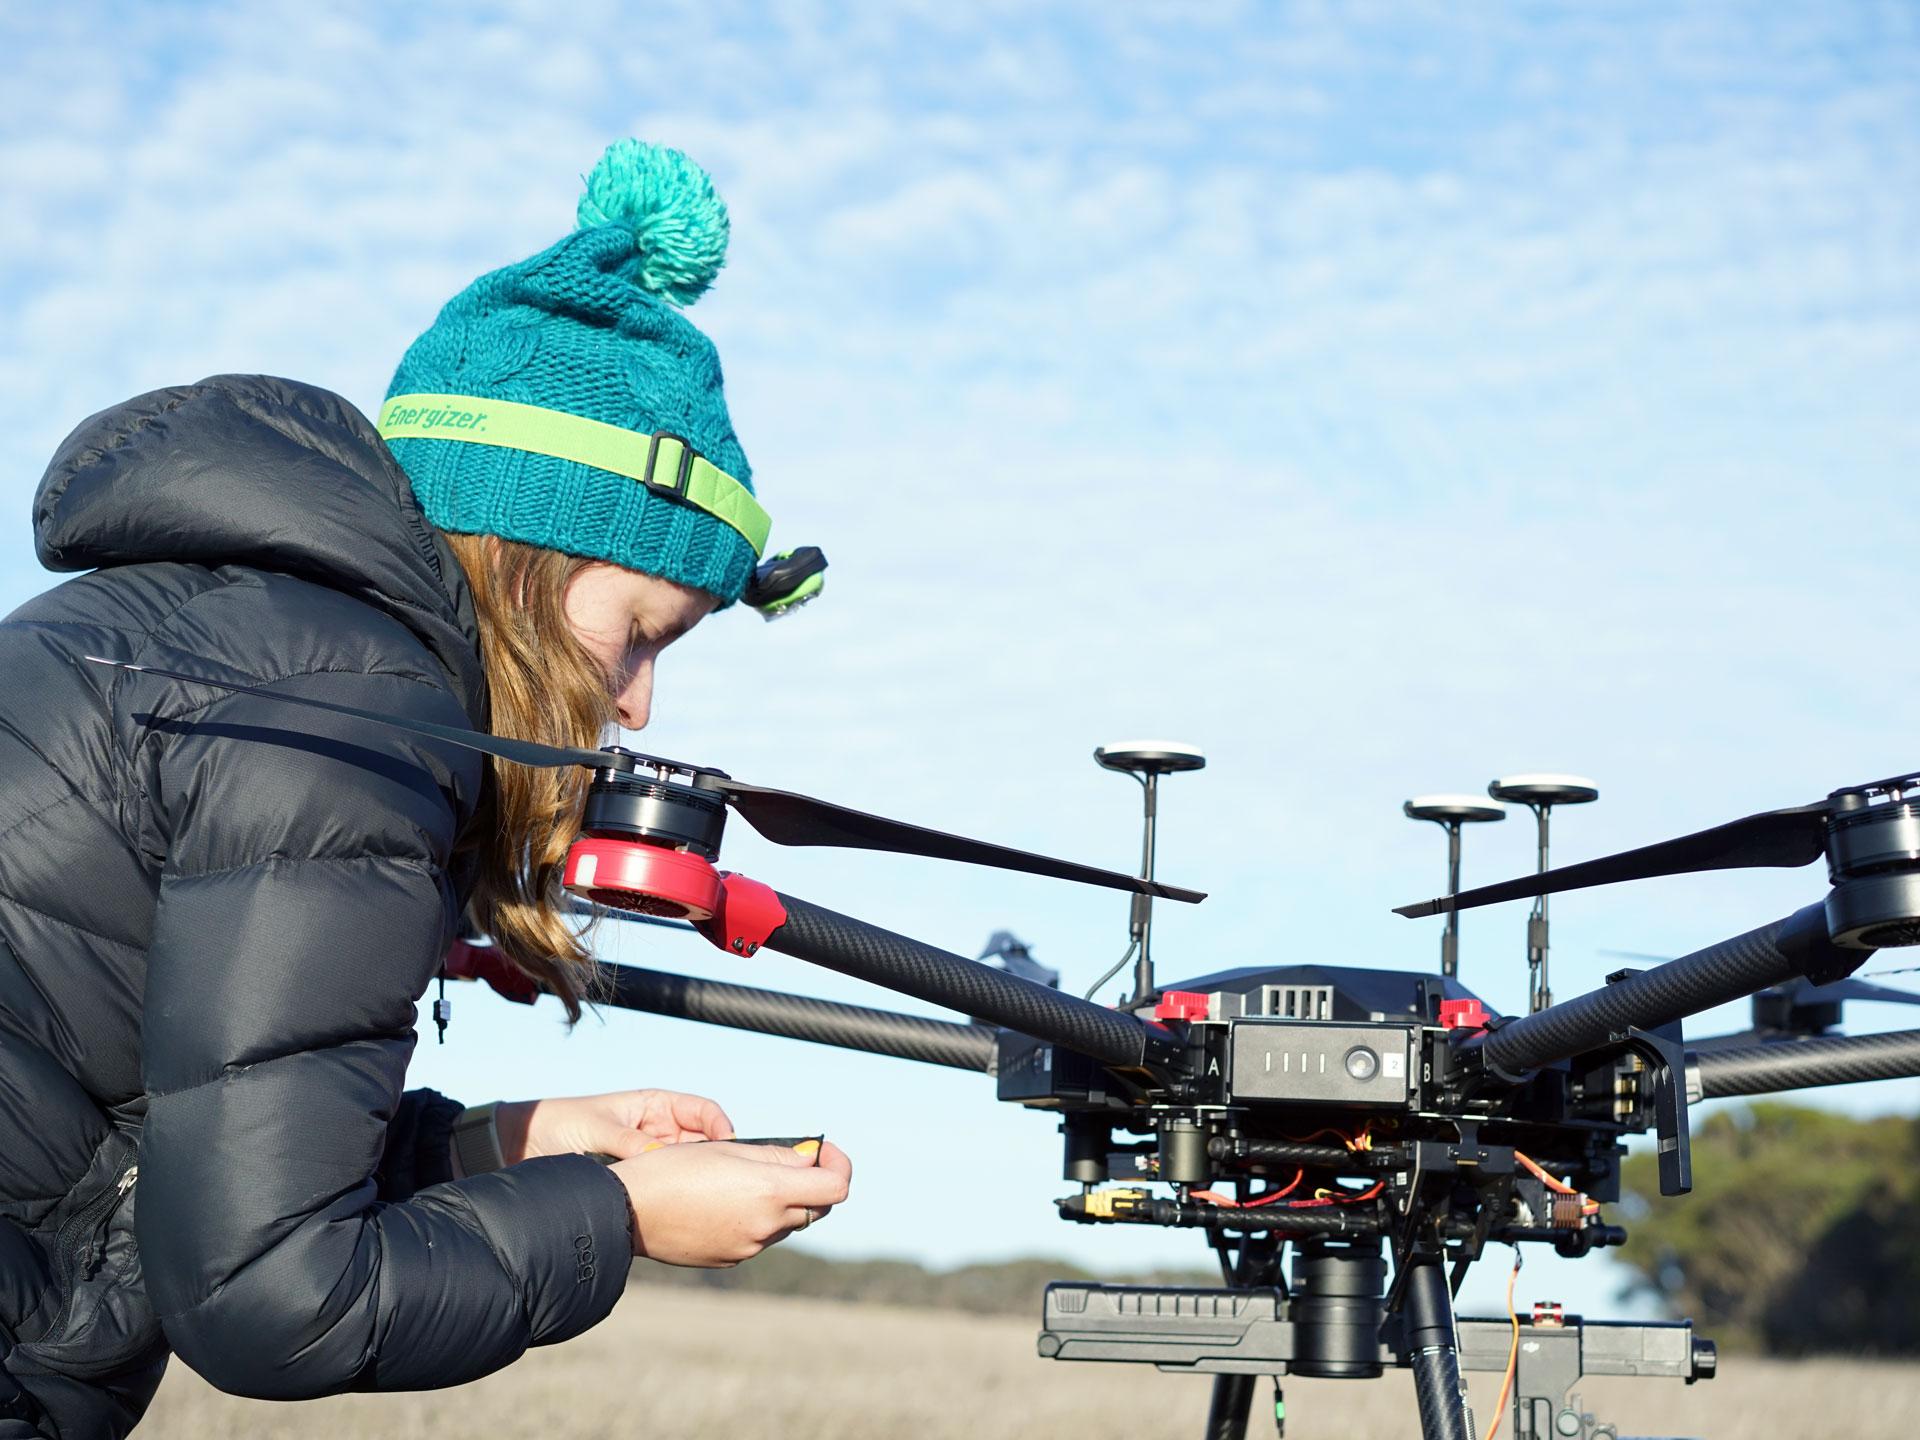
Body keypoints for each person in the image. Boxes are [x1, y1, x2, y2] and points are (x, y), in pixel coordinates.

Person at [0, 139, 852, 1439]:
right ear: (525, 554)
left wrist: (513, 1141)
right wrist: (622, 1218)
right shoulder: (359, 724)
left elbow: (192, 1130)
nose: (636, 707)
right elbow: (273, 1300)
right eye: (639, 635)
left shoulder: (233, 644)